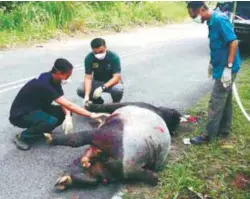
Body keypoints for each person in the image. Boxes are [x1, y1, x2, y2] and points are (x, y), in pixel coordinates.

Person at [9, 58, 109, 151]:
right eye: (67, 76)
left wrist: (67, 116)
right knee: (50, 121)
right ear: (58, 73)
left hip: (37, 108)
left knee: (64, 113)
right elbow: (68, 105)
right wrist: (91, 115)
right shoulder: (44, 83)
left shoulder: (54, 80)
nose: (68, 78)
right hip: (21, 114)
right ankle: (22, 137)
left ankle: (40, 129)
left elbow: (63, 101)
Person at [186, 1, 241, 144]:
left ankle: (207, 135)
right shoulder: (211, 22)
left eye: (194, 16)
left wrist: (228, 67)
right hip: (220, 66)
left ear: (202, 9)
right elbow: (217, 46)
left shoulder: (219, 20)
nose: (195, 19)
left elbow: (233, 42)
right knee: (226, 98)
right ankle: (224, 129)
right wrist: (212, 62)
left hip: (227, 68)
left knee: (216, 101)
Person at [77, 38, 124, 105]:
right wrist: (87, 95)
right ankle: (97, 102)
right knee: (81, 90)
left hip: (112, 83)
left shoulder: (113, 57)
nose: (98, 54)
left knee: (117, 90)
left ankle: (115, 104)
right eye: (95, 52)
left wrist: (102, 87)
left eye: (101, 51)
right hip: (97, 82)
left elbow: (117, 77)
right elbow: (88, 78)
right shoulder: (89, 58)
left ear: (105, 47)